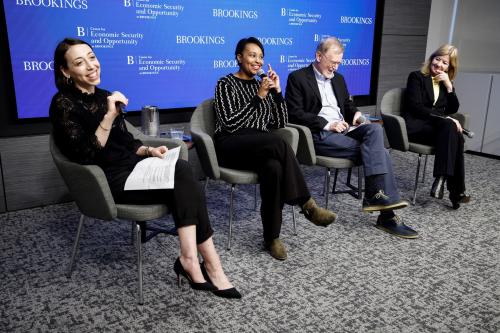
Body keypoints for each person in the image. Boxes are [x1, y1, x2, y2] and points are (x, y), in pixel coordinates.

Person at [49, 38, 240, 299]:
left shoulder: (106, 95)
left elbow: (126, 143)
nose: (91, 65)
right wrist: (109, 116)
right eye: (79, 62)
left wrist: (150, 151)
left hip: (134, 168)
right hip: (108, 182)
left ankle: (194, 261)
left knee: (183, 174)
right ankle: (206, 265)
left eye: (92, 57)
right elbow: (86, 155)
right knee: (185, 180)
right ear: (65, 70)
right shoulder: (63, 104)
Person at [213, 37, 337, 260]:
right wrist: (259, 97)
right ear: (239, 58)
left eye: (261, 57)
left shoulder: (263, 84)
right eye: (252, 55)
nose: (257, 60)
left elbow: (279, 123)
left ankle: (271, 237)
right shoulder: (225, 83)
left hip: (260, 146)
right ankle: (307, 204)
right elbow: (230, 124)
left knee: (274, 168)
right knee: (278, 142)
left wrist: (277, 92)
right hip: (230, 145)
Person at [286, 37, 418, 239]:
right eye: (332, 62)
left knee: (374, 130)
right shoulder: (298, 77)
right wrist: (328, 124)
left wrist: (356, 115)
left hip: (345, 131)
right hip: (319, 134)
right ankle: (387, 214)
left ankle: (377, 198)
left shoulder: (338, 79)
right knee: (379, 152)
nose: (335, 67)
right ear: (318, 56)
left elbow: (347, 107)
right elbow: (294, 113)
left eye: (339, 63)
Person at [404, 44, 470, 209]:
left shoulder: (444, 82)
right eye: (437, 59)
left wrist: (449, 87)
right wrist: (447, 119)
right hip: (416, 127)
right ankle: (455, 190)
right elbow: (416, 107)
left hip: (437, 129)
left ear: (450, 67)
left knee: (455, 134)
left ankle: (444, 182)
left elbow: (453, 108)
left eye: (445, 63)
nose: (439, 64)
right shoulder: (416, 77)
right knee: (454, 132)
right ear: (432, 58)